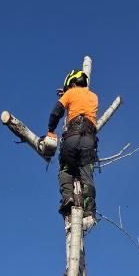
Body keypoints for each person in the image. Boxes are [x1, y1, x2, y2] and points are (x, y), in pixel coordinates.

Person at [42, 69, 99, 228]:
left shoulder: (70, 94)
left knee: (66, 169)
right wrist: (68, 92)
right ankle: (89, 212)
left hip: (72, 137)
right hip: (89, 139)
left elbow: (56, 112)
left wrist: (51, 130)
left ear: (72, 84)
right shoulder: (94, 96)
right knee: (86, 174)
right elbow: (81, 100)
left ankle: (68, 197)